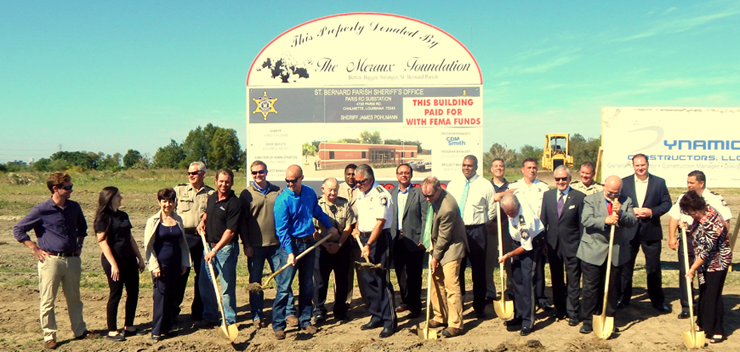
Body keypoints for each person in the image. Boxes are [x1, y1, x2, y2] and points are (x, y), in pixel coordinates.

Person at [13, 173, 99, 349]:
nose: (71, 190)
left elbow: (82, 227)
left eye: (71, 186)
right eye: (67, 187)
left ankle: (80, 330)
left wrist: (80, 245)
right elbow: (19, 230)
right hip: (50, 260)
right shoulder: (41, 209)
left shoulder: (74, 207)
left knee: (75, 298)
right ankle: (49, 336)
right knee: (47, 300)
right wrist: (34, 249)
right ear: (55, 189)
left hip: (72, 259)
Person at [273, 165, 338, 339]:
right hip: (290, 246)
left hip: (309, 243)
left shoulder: (309, 193)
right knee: (284, 287)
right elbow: (282, 230)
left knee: (307, 284)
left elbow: (318, 212)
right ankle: (279, 324)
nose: (290, 184)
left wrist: (329, 227)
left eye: (293, 181)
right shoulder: (282, 200)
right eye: (287, 181)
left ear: (301, 178)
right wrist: (289, 252)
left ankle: (305, 321)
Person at [239, 160, 297, 328]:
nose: (258, 175)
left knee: (283, 280)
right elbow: (243, 222)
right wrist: (246, 244)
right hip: (255, 246)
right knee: (256, 282)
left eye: (261, 172)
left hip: (277, 245)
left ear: (266, 172)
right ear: (251, 174)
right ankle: (257, 314)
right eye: (255, 172)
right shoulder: (246, 194)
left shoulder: (277, 192)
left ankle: (289, 312)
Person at [577, 175, 637, 335]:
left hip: (615, 252)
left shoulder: (626, 201)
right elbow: (586, 220)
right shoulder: (591, 200)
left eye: (617, 193)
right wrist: (605, 220)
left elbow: (632, 221)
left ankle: (608, 317)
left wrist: (621, 214)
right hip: (593, 250)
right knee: (591, 288)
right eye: (611, 192)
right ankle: (588, 320)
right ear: (604, 187)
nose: (614, 195)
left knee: (611, 288)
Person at [667, 170, 732, 319]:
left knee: (704, 275)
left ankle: (706, 306)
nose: (689, 185)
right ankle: (687, 306)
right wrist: (672, 237)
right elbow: (674, 217)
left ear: (701, 183)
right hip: (688, 239)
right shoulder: (683, 198)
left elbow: (726, 222)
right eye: (687, 182)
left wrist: (718, 240)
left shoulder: (714, 199)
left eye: (692, 183)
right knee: (686, 272)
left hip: (709, 244)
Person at [618, 154, 672, 312]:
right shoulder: (624, 182)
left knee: (653, 268)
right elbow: (617, 203)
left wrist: (651, 212)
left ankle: (657, 301)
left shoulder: (659, 182)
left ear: (647, 164)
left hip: (651, 231)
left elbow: (666, 203)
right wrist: (629, 210)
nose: (640, 168)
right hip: (629, 231)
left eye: (643, 165)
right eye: (637, 165)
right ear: (633, 166)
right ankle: (623, 298)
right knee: (626, 267)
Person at [446, 155, 496, 319]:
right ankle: (458, 303)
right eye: (464, 165)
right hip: (458, 230)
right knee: (457, 268)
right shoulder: (454, 184)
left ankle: (479, 305)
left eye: (470, 165)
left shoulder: (485, 185)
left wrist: (485, 222)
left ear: (476, 167)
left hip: (477, 230)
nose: (466, 168)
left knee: (478, 270)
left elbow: (492, 208)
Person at [680, 190, 732, 344]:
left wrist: (692, 269)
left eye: (691, 213)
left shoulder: (714, 221)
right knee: (703, 292)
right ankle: (703, 324)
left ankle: (717, 330)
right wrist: (687, 229)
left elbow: (705, 251)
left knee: (712, 295)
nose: (691, 216)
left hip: (717, 262)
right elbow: (698, 235)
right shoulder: (701, 215)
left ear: (698, 208)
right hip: (704, 263)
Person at [94, 187, 146, 341]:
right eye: (118, 196)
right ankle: (112, 330)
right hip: (113, 261)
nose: (121, 198)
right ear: (110, 198)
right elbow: (102, 241)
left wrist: (139, 258)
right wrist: (114, 265)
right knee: (116, 294)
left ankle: (129, 326)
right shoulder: (103, 217)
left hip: (129, 258)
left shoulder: (123, 215)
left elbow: (129, 238)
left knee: (133, 292)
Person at [352, 164, 397, 338]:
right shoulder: (361, 193)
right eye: (356, 182)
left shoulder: (381, 195)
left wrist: (369, 244)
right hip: (363, 239)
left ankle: (389, 321)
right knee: (367, 279)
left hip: (378, 240)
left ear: (370, 179)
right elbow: (362, 216)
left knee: (381, 280)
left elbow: (379, 223)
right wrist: (357, 228)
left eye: (361, 182)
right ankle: (376, 315)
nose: (358, 185)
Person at [422, 176, 468, 337]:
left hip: (452, 248)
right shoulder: (433, 201)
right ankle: (440, 315)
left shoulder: (448, 207)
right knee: (435, 282)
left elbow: (444, 237)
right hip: (438, 246)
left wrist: (435, 257)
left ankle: (456, 324)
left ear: (439, 190)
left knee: (451, 285)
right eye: (425, 196)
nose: (427, 199)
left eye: (430, 196)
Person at [539, 166, 585, 326]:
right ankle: (560, 310)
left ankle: (573, 312)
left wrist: (581, 246)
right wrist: (543, 243)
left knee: (573, 280)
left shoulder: (579, 197)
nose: (560, 182)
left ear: (569, 179)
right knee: (556, 279)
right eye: (557, 179)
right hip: (553, 246)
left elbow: (582, 226)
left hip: (572, 246)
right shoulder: (548, 196)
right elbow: (543, 223)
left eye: (564, 179)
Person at [144, 188, 191, 341]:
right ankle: (156, 330)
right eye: (164, 201)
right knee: (160, 297)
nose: (167, 204)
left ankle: (168, 327)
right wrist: (154, 266)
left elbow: (182, 244)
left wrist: (184, 262)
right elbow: (148, 246)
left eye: (170, 201)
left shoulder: (178, 220)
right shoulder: (153, 221)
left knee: (172, 296)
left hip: (176, 264)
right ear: (159, 202)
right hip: (161, 265)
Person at [196, 168, 241, 328]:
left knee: (227, 286)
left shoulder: (234, 203)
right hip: (208, 246)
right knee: (205, 284)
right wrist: (203, 221)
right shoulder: (212, 197)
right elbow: (208, 213)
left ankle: (228, 320)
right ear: (215, 181)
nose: (224, 184)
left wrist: (215, 251)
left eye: (227, 181)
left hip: (225, 250)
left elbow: (230, 231)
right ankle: (210, 316)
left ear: (232, 182)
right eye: (221, 181)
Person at [173, 161, 214, 323]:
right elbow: (167, 209)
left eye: (195, 173)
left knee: (202, 277)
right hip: (183, 238)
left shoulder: (210, 194)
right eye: (189, 173)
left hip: (202, 239)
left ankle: (198, 311)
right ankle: (173, 310)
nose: (191, 175)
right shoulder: (179, 190)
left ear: (203, 174)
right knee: (180, 275)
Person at [508, 158, 551, 311]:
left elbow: (546, 210)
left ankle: (540, 297)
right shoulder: (514, 186)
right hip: (521, 232)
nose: (531, 170)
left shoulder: (544, 188)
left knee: (538, 266)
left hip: (537, 232)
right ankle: (521, 299)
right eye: (528, 167)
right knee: (520, 270)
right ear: (522, 169)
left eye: (534, 168)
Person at [499, 194, 544, 336]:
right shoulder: (517, 198)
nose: (509, 215)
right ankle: (518, 315)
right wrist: (499, 195)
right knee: (516, 280)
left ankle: (527, 321)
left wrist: (508, 255)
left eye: (511, 213)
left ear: (517, 206)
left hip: (530, 247)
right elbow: (515, 189)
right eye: (506, 213)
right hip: (516, 243)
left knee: (527, 283)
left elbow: (526, 247)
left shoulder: (525, 222)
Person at [312, 177, 355, 324]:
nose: (333, 192)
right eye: (330, 189)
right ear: (323, 189)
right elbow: (314, 230)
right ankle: (319, 310)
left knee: (342, 281)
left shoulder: (345, 203)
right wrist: (326, 246)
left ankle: (340, 310)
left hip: (341, 248)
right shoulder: (316, 205)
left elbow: (348, 227)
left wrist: (339, 244)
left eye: (335, 189)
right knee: (320, 282)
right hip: (322, 248)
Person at [389, 163, 427, 318]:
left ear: (411, 175)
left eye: (406, 173)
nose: (403, 175)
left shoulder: (419, 193)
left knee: (414, 274)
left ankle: (415, 306)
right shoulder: (390, 194)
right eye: (400, 173)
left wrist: (424, 238)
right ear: (397, 175)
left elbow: (425, 218)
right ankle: (405, 301)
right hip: (396, 238)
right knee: (400, 272)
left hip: (414, 239)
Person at [337, 163, 366, 305]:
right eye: (348, 174)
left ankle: (367, 300)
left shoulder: (363, 188)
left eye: (353, 174)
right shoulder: (338, 188)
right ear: (344, 175)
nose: (351, 177)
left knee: (362, 270)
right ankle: (345, 302)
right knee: (344, 271)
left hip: (359, 235)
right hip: (342, 234)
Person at [490, 158, 514, 302]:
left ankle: (510, 288)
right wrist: (491, 224)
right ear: (491, 169)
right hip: (490, 227)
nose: (499, 168)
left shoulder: (510, 185)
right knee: (490, 260)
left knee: (508, 259)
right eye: (496, 166)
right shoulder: (487, 186)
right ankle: (490, 291)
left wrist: (503, 194)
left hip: (507, 227)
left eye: (501, 166)